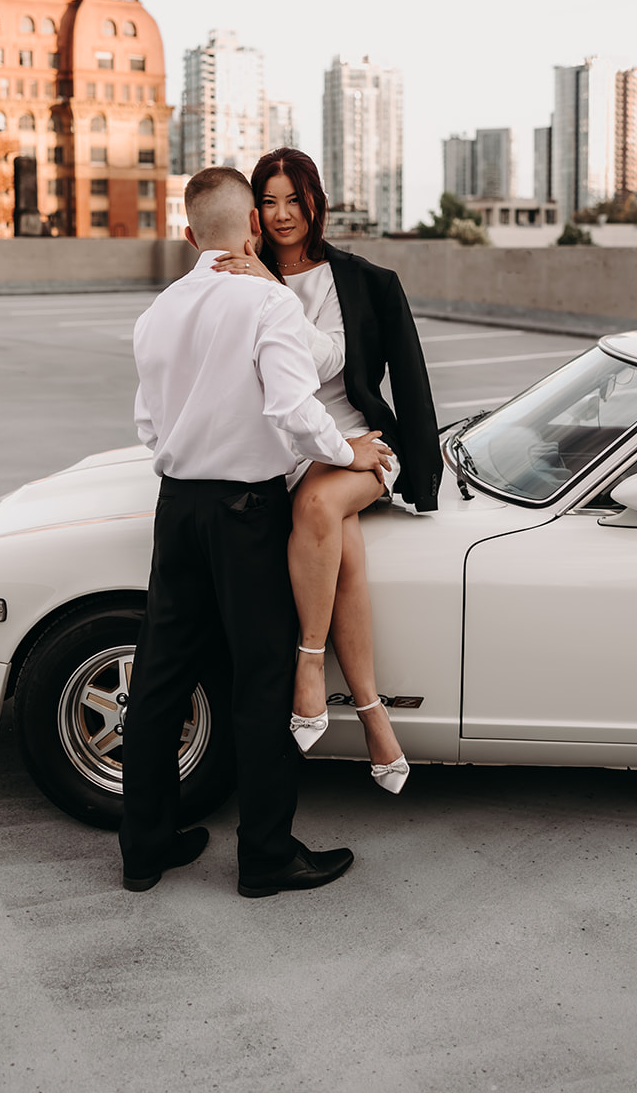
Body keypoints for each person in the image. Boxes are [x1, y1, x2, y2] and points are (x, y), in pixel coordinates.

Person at [118, 166, 392, 897]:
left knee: (160, 679)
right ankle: (266, 857)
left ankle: (144, 850)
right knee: (262, 680)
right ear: (249, 230)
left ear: (186, 234)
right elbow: (295, 411)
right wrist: (349, 451)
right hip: (245, 513)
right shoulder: (265, 303)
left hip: (175, 508)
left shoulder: (158, 312)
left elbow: (148, 424)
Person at [213, 148, 441, 795]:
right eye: (268, 200)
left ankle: (308, 667)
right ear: (252, 210)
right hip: (288, 450)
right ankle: (374, 719)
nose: (282, 214)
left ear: (316, 201)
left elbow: (412, 384)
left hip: (361, 444)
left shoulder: (368, 281)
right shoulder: (242, 278)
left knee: (318, 507)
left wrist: (420, 482)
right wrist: (257, 279)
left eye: (294, 199)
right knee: (343, 554)